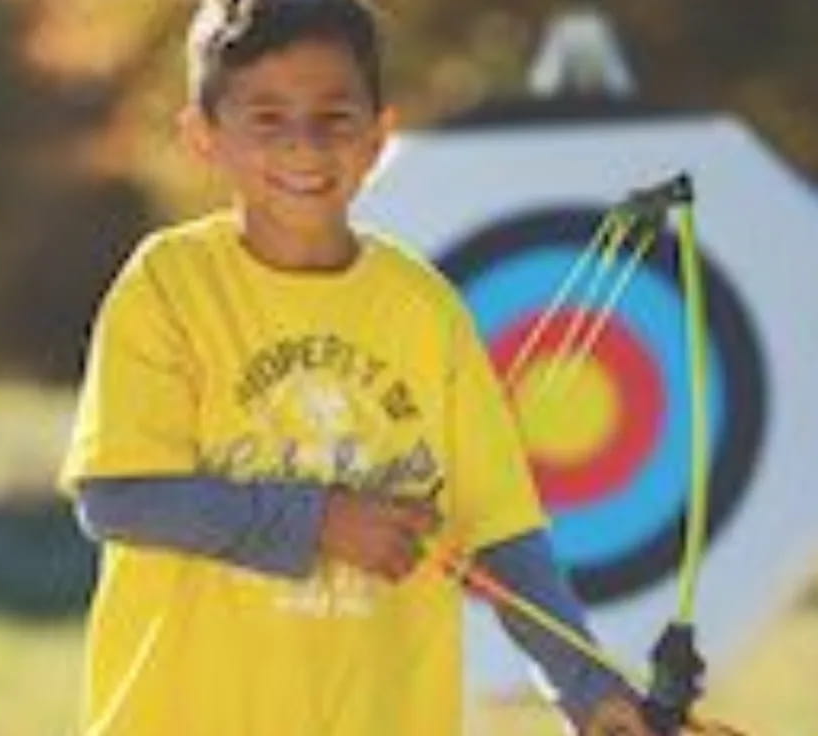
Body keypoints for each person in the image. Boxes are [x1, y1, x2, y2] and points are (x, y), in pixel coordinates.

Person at [58, 1, 665, 734]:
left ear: (380, 135)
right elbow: (120, 498)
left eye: (335, 118)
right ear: (203, 136)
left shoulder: (423, 308)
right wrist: (319, 521)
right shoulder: (168, 285)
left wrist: (588, 689)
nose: (306, 147)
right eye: (268, 119)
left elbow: (499, 529)